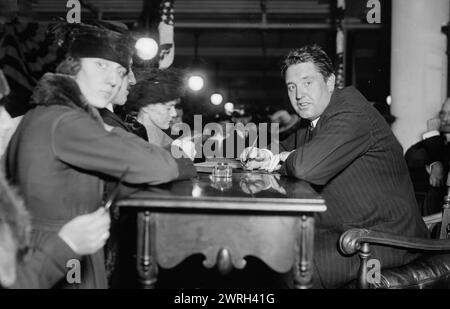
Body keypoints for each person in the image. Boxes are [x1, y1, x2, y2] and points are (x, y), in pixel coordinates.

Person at [4, 22, 196, 289]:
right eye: (100, 65)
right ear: (72, 64)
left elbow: (107, 184)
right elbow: (159, 167)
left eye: (119, 70)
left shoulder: (54, 113)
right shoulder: (66, 120)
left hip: (62, 252)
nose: (113, 79)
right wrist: (185, 163)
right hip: (59, 258)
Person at [240, 45, 429, 288]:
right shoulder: (318, 119)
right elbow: (285, 145)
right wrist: (263, 153)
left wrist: (279, 159)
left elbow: (306, 166)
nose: (299, 95)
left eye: (308, 82)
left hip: (384, 241)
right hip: (348, 232)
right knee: (265, 252)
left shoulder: (351, 112)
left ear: (329, 82)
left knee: (283, 265)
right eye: (292, 87)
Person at [121, 67, 196, 159]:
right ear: (146, 106)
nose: (174, 113)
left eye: (174, 107)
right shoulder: (125, 137)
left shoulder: (169, 140)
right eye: (168, 108)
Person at [405, 97, 450, 216]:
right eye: (443, 113)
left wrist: (433, 136)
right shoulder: (437, 141)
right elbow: (411, 156)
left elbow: (445, 168)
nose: (445, 119)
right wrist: (435, 163)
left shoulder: (435, 141)